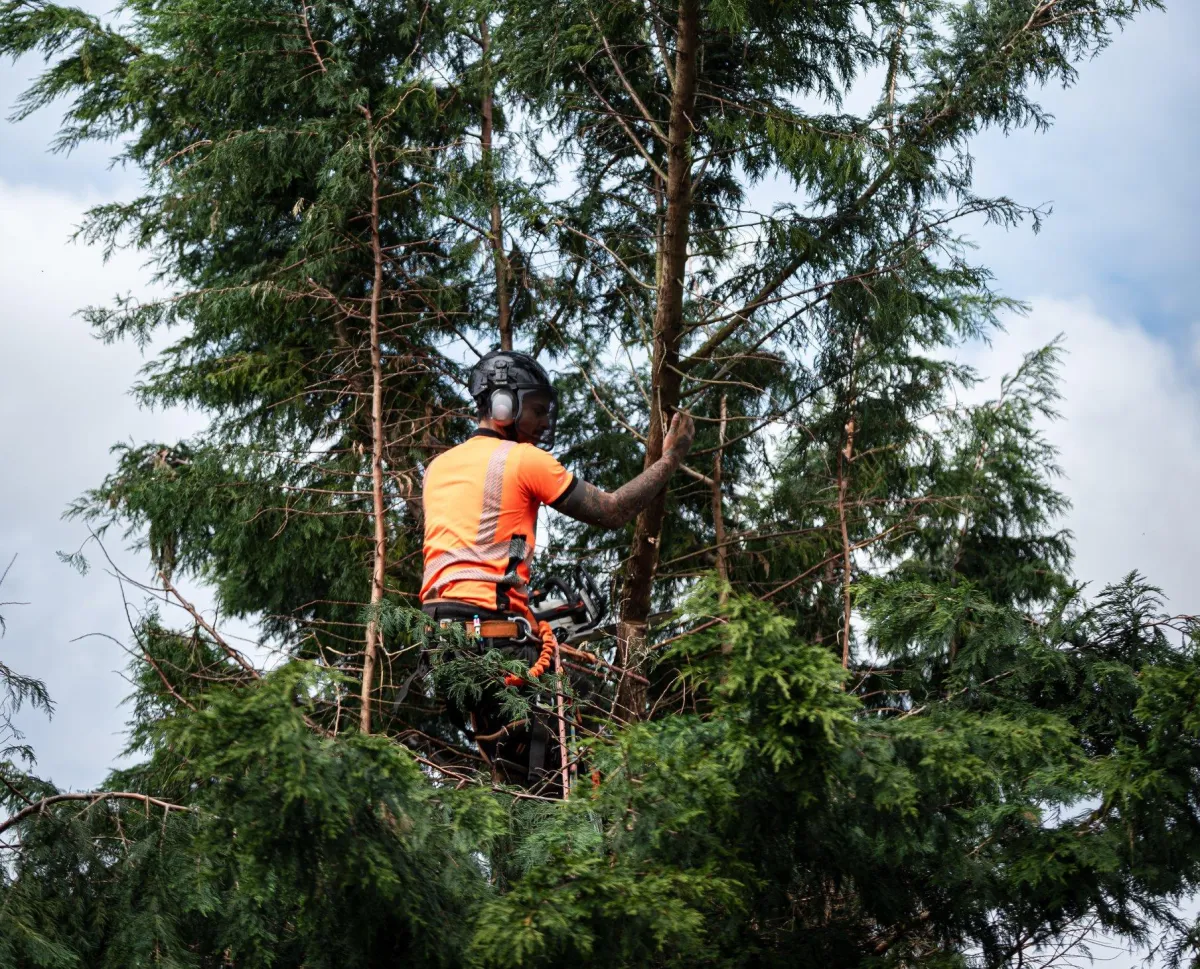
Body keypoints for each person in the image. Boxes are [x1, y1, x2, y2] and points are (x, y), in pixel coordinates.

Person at [421, 349, 694, 786]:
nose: (545, 422)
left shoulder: (437, 468)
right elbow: (612, 509)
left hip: (443, 645)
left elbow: (469, 569)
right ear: (503, 404)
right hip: (493, 639)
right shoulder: (525, 460)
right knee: (593, 720)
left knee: (527, 770)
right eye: (537, 410)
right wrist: (670, 459)